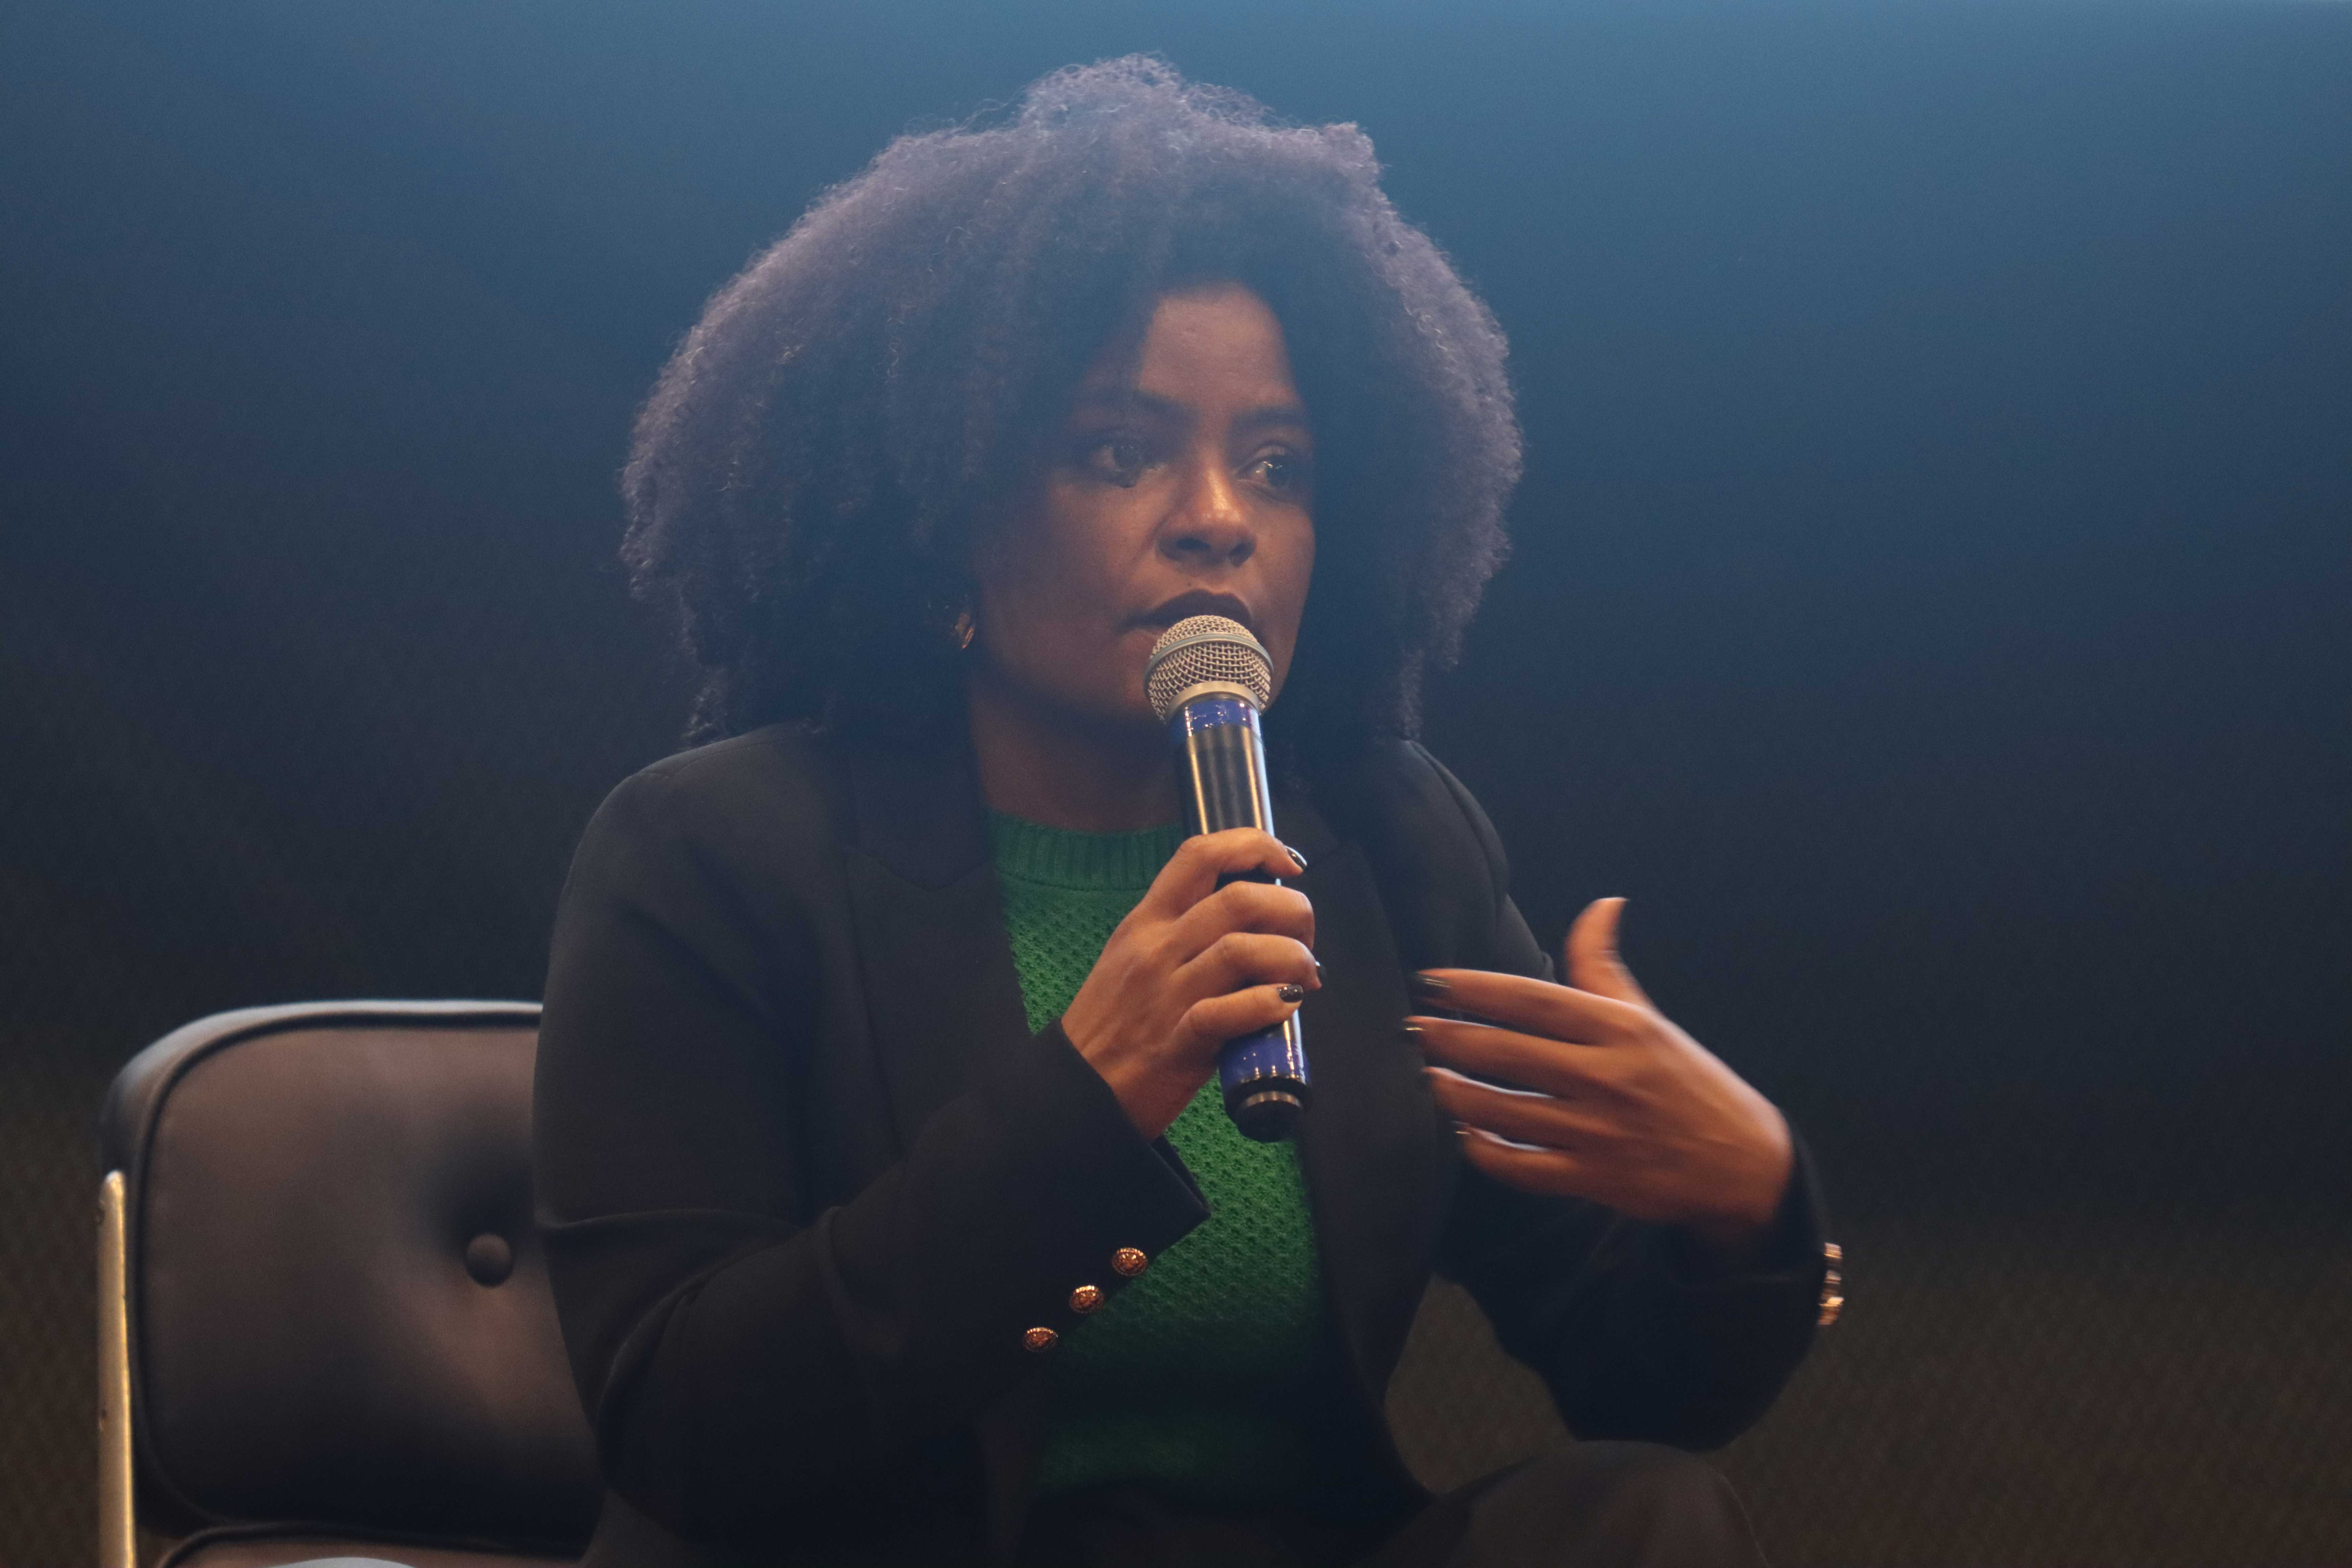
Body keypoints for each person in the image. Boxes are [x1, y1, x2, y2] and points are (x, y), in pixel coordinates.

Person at [535, 57, 1834, 1568]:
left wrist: (1749, 1201)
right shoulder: (713, 852)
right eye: (1122, 450)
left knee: (1643, 1513)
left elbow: (1640, 1384)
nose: (1221, 516)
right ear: (950, 512)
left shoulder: (1391, 842)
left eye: (1277, 466)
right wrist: (1088, 1099)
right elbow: (682, 1424)